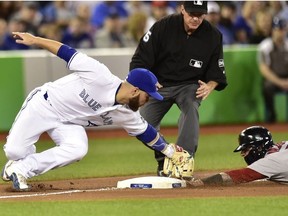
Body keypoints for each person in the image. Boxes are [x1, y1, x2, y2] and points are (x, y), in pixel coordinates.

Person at [1, 32, 190, 191]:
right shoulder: (99, 75)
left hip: (69, 123)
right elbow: (66, 52)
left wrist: (169, 151)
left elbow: (146, 132)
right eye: (147, 96)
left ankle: (22, 169)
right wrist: (35, 40)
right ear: (134, 90)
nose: (146, 101)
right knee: (14, 151)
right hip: (44, 105)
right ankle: (18, 162)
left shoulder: (127, 113)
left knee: (78, 149)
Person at [129, 1, 227, 176]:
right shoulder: (163, 27)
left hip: (189, 85)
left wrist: (210, 85)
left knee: (191, 107)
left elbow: (217, 72)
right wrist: (147, 82)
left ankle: (185, 161)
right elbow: (140, 59)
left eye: (200, 14)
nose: (195, 18)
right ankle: (167, 158)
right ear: (182, 9)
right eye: (191, 14)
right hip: (159, 85)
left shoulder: (213, 35)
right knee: (141, 124)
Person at [187, 126, 288, 187]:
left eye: (246, 149)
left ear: (260, 147)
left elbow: (236, 176)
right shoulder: (281, 147)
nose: (243, 154)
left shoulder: (272, 161)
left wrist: (198, 183)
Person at [257, 17, 288, 123]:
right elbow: (264, 69)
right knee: (268, 87)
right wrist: (280, 82)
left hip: (286, 76)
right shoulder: (265, 46)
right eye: (278, 29)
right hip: (273, 78)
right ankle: (271, 115)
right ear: (273, 31)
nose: (280, 32)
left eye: (282, 29)